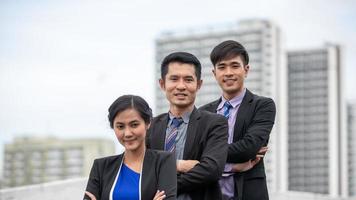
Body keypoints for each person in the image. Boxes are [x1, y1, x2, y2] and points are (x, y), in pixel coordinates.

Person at [200, 40, 276, 200]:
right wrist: (234, 166)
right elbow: (193, 153)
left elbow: (249, 148)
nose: (228, 72)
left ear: (246, 70)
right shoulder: (203, 113)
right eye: (222, 67)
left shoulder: (262, 106)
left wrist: (209, 154)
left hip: (249, 193)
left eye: (234, 66)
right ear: (214, 73)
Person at [146, 52, 228, 200]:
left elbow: (211, 170)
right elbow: (140, 168)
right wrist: (178, 165)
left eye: (188, 80)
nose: (181, 86)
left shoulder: (215, 123)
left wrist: (165, 183)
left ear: (199, 85)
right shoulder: (150, 127)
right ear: (162, 84)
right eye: (174, 79)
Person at [84, 95, 177, 200]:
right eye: (120, 127)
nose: (127, 133)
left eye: (134, 125)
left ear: (148, 123)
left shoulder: (163, 162)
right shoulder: (101, 167)